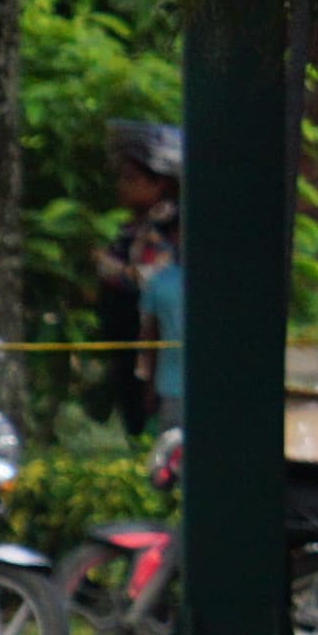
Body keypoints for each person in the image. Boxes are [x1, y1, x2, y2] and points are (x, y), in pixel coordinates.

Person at [92, 122, 182, 433]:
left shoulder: (166, 229)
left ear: (161, 184)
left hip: (149, 344)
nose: (122, 186)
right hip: (124, 340)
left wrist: (107, 267)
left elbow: (149, 279)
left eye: (131, 179)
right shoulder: (133, 229)